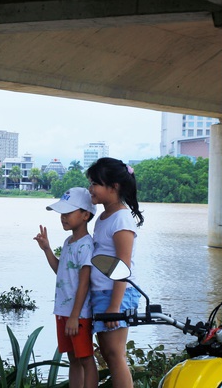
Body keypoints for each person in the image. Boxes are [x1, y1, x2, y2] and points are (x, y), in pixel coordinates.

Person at [86, 158, 144, 388]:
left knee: (115, 354)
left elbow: (123, 265)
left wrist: (114, 307)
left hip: (117, 294)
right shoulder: (103, 217)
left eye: (95, 183)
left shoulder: (121, 218)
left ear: (114, 187)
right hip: (102, 292)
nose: (91, 188)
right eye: (91, 183)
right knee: (108, 354)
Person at [34, 187, 98, 388]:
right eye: (62, 213)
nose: (63, 217)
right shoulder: (69, 242)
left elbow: (84, 283)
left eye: (68, 213)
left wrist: (74, 316)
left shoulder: (86, 245)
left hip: (77, 315)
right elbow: (61, 272)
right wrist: (47, 249)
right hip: (63, 311)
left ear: (85, 215)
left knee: (86, 359)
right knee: (73, 359)